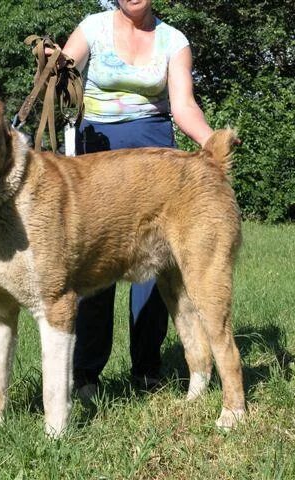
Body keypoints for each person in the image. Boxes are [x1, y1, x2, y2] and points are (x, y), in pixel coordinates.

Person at [60, 0, 214, 399]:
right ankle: (86, 377)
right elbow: (64, 67)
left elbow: (182, 105)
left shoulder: (173, 40)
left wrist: (211, 142)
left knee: (155, 269)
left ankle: (147, 370)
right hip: (98, 152)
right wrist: (53, 62)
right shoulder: (93, 28)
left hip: (153, 155)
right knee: (94, 266)